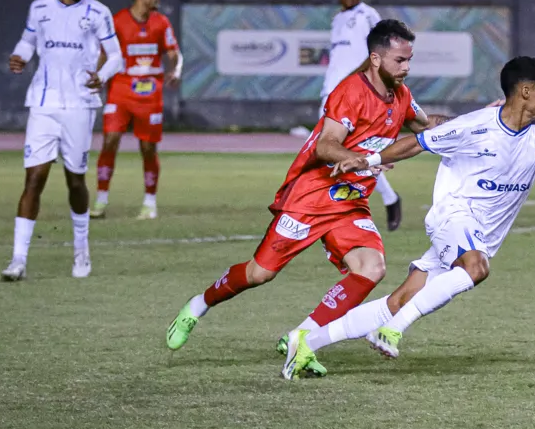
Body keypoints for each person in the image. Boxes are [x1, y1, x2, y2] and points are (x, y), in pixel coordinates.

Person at [281, 56, 535, 380]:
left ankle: (305, 341)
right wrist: (367, 160)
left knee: (400, 299)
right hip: (453, 214)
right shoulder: (477, 126)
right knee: (475, 268)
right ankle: (393, 330)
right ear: (527, 91)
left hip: (481, 232)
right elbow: (415, 144)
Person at [165, 20, 448, 372]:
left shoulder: (402, 96)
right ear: (376, 59)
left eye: (409, 60)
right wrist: (356, 160)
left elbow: (429, 125)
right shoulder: (350, 92)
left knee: (371, 268)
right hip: (311, 197)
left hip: (349, 202)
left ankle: (302, 337)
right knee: (259, 274)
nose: (406, 68)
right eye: (399, 61)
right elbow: (326, 145)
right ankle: (198, 305)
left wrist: (488, 118)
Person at [1, 0, 125, 281]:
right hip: (43, 104)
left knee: (75, 179)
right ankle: (18, 260)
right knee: (34, 178)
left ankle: (81, 250)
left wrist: (103, 75)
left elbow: (116, 56)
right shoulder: (40, 8)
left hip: (80, 105)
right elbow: (27, 43)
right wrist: (19, 57)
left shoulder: (98, 12)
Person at [293, 0, 403, 230]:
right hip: (332, 93)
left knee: (331, 149)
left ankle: (319, 204)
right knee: (342, 152)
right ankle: (388, 198)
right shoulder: (337, 19)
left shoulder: (368, 16)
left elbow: (378, 52)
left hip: (354, 94)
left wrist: (356, 81)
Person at [89, 0, 181, 220]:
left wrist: (176, 68)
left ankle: (149, 202)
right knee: (110, 140)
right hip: (120, 90)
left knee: (148, 148)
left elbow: (174, 52)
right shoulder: (117, 22)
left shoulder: (161, 23)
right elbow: (103, 54)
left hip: (150, 94)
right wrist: (97, 78)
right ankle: (100, 199)